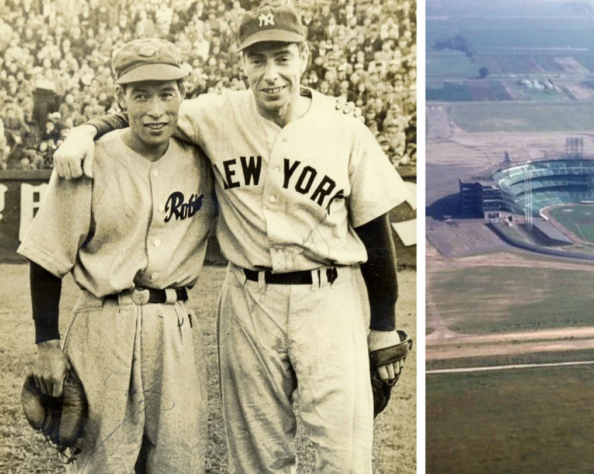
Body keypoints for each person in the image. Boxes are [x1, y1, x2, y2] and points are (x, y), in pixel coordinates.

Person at [54, 4, 409, 473]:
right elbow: (145, 109)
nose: (271, 74)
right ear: (241, 63)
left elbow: (375, 233)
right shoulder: (214, 116)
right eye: (256, 60)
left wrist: (383, 323)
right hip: (247, 300)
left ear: (305, 56)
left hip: (330, 298)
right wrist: (85, 130)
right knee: (256, 456)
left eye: (282, 58)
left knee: (343, 455)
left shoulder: (345, 129)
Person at [20, 38, 215, 473]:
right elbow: (47, 255)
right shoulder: (89, 160)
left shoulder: (203, 156)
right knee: (103, 462)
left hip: (175, 326)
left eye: (167, 93)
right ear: (119, 98)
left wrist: (87, 127)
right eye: (140, 94)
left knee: (179, 461)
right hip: (103, 324)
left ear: (184, 93)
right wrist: (47, 344)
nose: (155, 109)